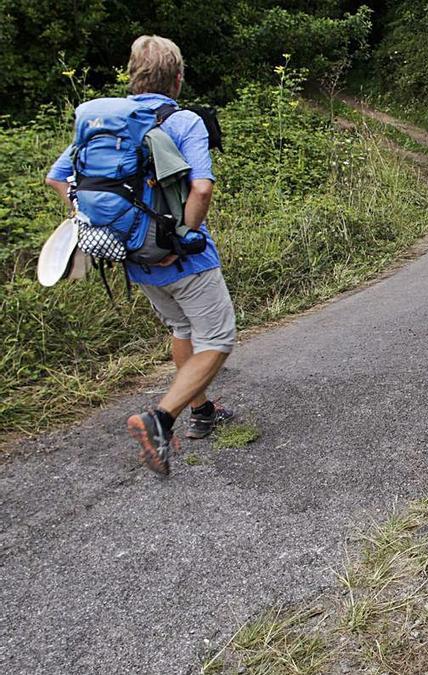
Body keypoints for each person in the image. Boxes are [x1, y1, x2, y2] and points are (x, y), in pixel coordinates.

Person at [45, 35, 236, 475]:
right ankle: (161, 418)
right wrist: (182, 237)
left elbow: (58, 178)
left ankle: (203, 412)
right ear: (178, 78)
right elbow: (201, 188)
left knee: (182, 325)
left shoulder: (106, 121)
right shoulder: (183, 120)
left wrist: (97, 221)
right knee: (218, 339)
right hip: (182, 257)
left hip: (133, 257)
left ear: (132, 75)